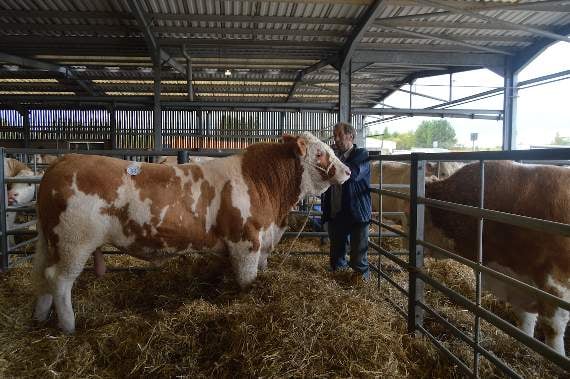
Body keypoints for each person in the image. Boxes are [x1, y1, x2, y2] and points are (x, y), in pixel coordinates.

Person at [322, 122, 372, 283]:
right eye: (334, 135)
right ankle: (339, 286)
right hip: (337, 212)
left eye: (339, 135)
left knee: (359, 257)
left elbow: (351, 174)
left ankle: (361, 287)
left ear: (350, 136)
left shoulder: (361, 154)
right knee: (337, 256)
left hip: (357, 213)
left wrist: (330, 157)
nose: (336, 139)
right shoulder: (336, 157)